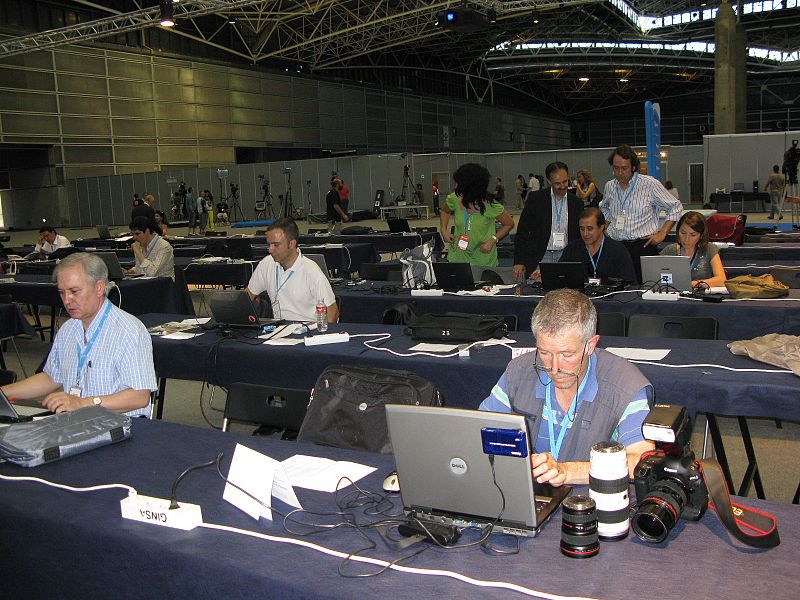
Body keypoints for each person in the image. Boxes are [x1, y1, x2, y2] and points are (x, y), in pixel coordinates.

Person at [480, 288, 653, 486]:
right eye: (544, 352)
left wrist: (567, 471)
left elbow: (640, 463)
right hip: (531, 493)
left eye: (567, 355)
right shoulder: (518, 372)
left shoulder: (626, 384)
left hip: (594, 499)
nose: (554, 368)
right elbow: (481, 432)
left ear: (591, 345)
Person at [0, 253, 155, 417]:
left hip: (122, 425)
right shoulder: (68, 329)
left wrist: (83, 403)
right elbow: (51, 378)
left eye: (74, 291)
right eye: (61, 292)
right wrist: (3, 393)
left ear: (99, 288)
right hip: (77, 421)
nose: (67, 300)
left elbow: (140, 397)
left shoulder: (129, 331)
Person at [600, 144, 683, 283]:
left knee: (643, 287)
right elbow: (605, 208)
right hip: (616, 246)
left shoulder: (649, 184)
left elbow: (675, 206)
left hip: (642, 246)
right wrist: (606, 229)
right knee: (616, 289)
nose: (619, 172)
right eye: (616, 168)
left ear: (633, 167)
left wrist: (662, 233)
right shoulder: (610, 186)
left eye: (624, 168)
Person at [246, 217, 339, 323]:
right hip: (279, 330)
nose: (270, 250)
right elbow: (248, 296)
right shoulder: (267, 263)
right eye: (269, 244)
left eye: (276, 245)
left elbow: (333, 312)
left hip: (307, 331)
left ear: (292, 244)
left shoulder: (311, 271)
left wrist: (321, 336)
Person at [513, 161, 583, 281]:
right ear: (549, 182)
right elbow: (523, 231)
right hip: (540, 256)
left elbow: (578, 236)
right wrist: (519, 261)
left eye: (565, 181)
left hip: (566, 257)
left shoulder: (577, 203)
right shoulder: (536, 199)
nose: (562, 186)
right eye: (557, 183)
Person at [439, 163, 514, 268]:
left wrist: (493, 240)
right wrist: (443, 230)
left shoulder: (491, 205)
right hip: (458, 257)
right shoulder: (454, 198)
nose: (456, 187)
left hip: (483, 259)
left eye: (459, 184)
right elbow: (445, 211)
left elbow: (509, 224)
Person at [559, 208, 637, 284]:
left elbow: (628, 282)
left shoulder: (618, 251)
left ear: (602, 227)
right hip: (579, 295)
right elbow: (560, 277)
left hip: (612, 296)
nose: (585, 234)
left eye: (590, 229)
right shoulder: (571, 249)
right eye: (582, 229)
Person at [660, 211, 726, 288]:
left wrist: (692, 284)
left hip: (700, 296)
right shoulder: (669, 250)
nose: (686, 239)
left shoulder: (709, 249)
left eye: (693, 235)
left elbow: (721, 280)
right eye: (683, 233)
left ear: (701, 235)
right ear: (678, 231)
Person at [125, 216, 175, 280]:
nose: (134, 238)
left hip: (162, 286)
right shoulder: (140, 245)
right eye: (132, 234)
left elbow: (151, 272)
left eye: (137, 234)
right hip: (145, 284)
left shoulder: (164, 247)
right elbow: (141, 268)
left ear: (147, 231)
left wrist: (138, 252)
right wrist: (129, 272)